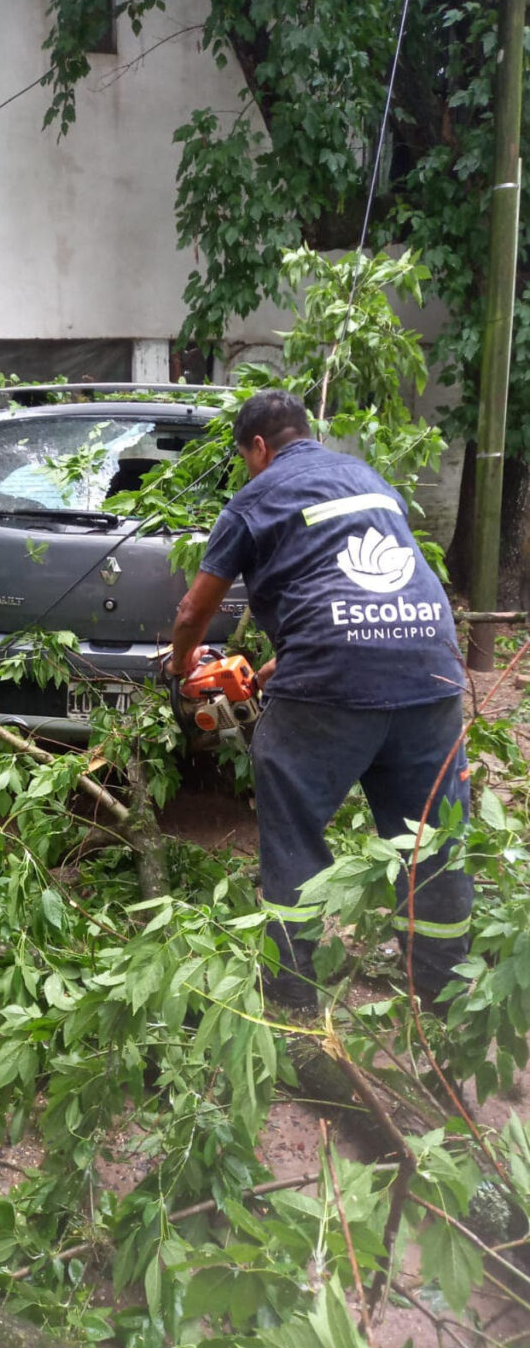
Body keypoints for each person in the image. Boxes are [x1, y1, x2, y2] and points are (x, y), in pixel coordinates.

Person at [168, 389, 472, 1010]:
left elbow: (192, 609)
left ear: (257, 447)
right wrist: (292, 656)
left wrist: (180, 670)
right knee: (430, 839)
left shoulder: (254, 499)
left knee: (294, 825)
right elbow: (360, 587)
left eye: (246, 457)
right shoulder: (367, 477)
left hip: (333, 688)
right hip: (433, 674)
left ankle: (292, 991)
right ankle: (443, 994)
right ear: (307, 432)